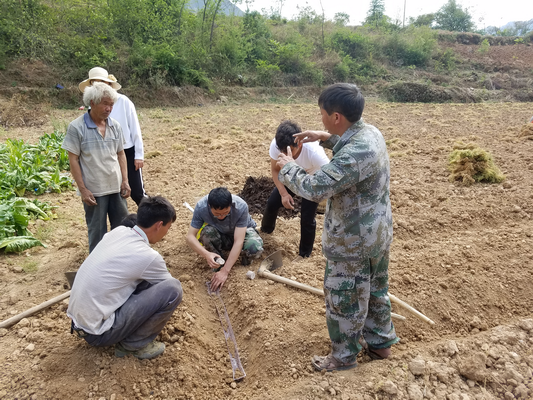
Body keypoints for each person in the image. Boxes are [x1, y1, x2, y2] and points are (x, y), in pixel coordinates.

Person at [276, 83, 399, 372]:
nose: (319, 119)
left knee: (343, 297)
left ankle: (343, 358)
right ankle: (381, 343)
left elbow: (315, 187)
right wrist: (325, 138)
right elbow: (351, 149)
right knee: (376, 290)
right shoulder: (370, 133)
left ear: (336, 117)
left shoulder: (356, 153)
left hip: (353, 241)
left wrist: (287, 166)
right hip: (377, 234)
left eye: (322, 115)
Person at [67, 196, 182, 360]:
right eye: (168, 228)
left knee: (143, 281)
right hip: (98, 333)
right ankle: (133, 345)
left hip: (79, 323)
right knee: (173, 290)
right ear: (159, 225)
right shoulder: (148, 257)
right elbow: (165, 286)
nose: (166, 233)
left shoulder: (119, 231)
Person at [62, 82, 130, 252]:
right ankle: (98, 269)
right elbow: (73, 160)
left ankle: (121, 263)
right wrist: (83, 189)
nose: (109, 108)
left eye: (111, 105)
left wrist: (125, 181)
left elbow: (121, 154)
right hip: (94, 191)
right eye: (105, 103)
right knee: (97, 233)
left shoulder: (115, 126)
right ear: (92, 102)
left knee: (122, 230)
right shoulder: (77, 127)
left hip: (116, 188)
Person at [261, 120, 329, 259]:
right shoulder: (277, 144)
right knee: (272, 203)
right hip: (291, 174)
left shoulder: (314, 153)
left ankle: (304, 254)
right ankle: (265, 232)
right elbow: (275, 170)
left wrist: (322, 195)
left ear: (299, 143)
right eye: (282, 151)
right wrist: (284, 194)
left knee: (307, 217)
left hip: (312, 180)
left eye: (290, 151)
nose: (286, 154)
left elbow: (330, 177)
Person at [79, 67, 147, 206]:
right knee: (115, 191)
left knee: (137, 192)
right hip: (106, 153)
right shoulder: (92, 106)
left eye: (101, 83)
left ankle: (153, 220)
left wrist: (139, 155)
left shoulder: (123, 101)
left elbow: (135, 128)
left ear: (108, 84)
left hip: (127, 151)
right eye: (94, 84)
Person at [186, 187, 263, 291]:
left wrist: (225, 271)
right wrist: (206, 254)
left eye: (226, 212)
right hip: (221, 233)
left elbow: (238, 241)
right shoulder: (201, 207)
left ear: (231, 205)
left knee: (254, 246)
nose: (222, 216)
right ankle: (217, 262)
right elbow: (190, 236)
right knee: (207, 234)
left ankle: (243, 264)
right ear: (209, 206)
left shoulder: (241, 206)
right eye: (217, 214)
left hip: (242, 232)